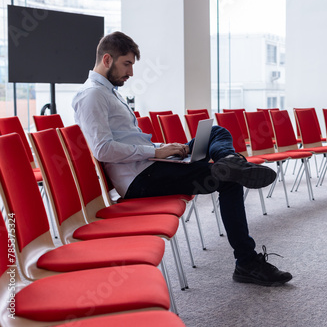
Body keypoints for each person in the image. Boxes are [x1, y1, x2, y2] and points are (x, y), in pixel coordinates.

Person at [72, 31, 292, 286]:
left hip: (152, 166)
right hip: (141, 180)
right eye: (127, 63)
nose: (131, 72)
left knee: (214, 132)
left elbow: (126, 140)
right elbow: (103, 149)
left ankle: (231, 159)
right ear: (107, 59)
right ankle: (246, 262)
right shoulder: (92, 96)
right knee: (229, 181)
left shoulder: (107, 92)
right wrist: (156, 152)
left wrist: (164, 148)